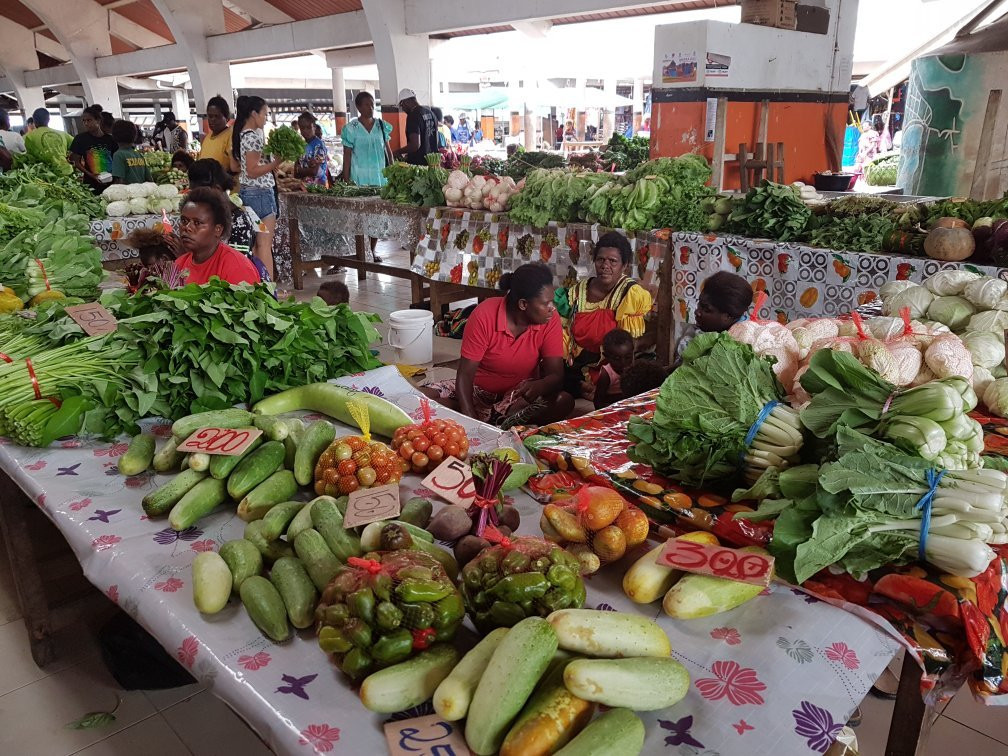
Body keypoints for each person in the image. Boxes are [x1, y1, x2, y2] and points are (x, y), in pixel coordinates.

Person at [422, 263, 574, 427]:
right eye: (546, 303)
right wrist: (471, 419)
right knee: (420, 397)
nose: (552, 308)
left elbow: (556, 375)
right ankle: (490, 420)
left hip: (517, 397)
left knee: (563, 401)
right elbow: (465, 376)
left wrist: (540, 385)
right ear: (523, 304)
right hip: (477, 390)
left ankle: (495, 417)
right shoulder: (484, 315)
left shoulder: (549, 320)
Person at [555, 231, 653, 398]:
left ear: (625, 266)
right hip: (577, 362)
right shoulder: (578, 292)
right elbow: (563, 332)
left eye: (613, 261)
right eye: (600, 260)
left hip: (612, 366)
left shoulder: (630, 294)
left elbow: (628, 346)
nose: (605, 265)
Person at [187, 158, 272, 283]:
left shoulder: (239, 221)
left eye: (198, 194)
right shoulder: (209, 216)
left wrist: (188, 255)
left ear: (216, 189)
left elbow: (236, 270)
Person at [169, 187, 261, 286]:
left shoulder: (237, 268)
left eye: (197, 223)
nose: (187, 228)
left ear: (218, 229)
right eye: (184, 221)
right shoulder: (178, 265)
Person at [232, 95, 280, 280]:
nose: (266, 118)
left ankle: (257, 282)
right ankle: (268, 286)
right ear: (254, 114)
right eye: (265, 114)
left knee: (255, 244)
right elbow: (252, 171)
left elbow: (243, 168)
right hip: (261, 197)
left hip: (248, 195)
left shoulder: (242, 134)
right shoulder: (252, 137)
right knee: (264, 244)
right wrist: (276, 162)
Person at [675, 271, 753, 366]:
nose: (697, 312)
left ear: (728, 316)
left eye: (706, 309)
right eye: (699, 304)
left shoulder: (742, 346)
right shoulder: (701, 330)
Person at [341, 92, 393, 187]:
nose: (371, 108)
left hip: (380, 176)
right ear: (358, 107)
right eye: (367, 105)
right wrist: (346, 181)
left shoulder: (381, 126)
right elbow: (347, 156)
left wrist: (393, 175)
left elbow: (389, 152)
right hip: (359, 177)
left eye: (372, 105)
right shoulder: (351, 129)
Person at [69, 104, 118, 193]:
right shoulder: (80, 139)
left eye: (89, 120)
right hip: (91, 184)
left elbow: (117, 160)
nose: (86, 123)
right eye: (84, 121)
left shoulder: (111, 139)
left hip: (111, 183)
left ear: (98, 120)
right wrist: (92, 175)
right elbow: (76, 162)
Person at [593, 328, 635, 410]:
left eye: (628, 357)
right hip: (611, 407)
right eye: (616, 358)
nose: (623, 362)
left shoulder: (634, 367)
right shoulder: (607, 374)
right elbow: (598, 401)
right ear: (606, 356)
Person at [395, 89, 437, 165]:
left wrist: (398, 151)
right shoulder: (431, 113)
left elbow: (415, 145)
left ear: (406, 102)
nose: (403, 109)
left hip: (419, 166)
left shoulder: (413, 115)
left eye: (402, 106)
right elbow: (435, 140)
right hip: (433, 163)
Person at [110, 120, 152, 185]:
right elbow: (149, 179)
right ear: (134, 136)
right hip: (142, 193)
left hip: (128, 194)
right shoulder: (139, 155)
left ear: (114, 136)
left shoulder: (118, 155)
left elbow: (119, 181)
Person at [197, 95, 233, 170]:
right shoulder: (207, 138)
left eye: (217, 116)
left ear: (227, 118)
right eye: (210, 116)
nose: (213, 120)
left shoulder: (231, 135)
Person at [295, 111, 329, 188]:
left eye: (308, 127)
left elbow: (314, 171)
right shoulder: (301, 145)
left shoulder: (319, 145)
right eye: (302, 128)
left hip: (318, 187)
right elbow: (295, 174)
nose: (305, 131)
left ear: (314, 127)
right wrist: (305, 171)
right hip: (303, 186)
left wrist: (300, 170)